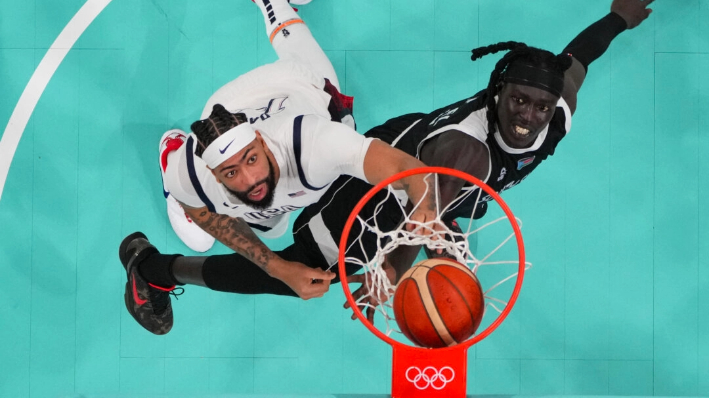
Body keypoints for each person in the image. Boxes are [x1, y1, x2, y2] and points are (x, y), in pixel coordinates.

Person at [122, 0, 654, 333]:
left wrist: (619, 17)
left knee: (312, 82)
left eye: (539, 106)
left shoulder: (558, 104)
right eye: (518, 102)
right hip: (376, 178)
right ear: (497, 94)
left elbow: (576, 60)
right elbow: (423, 202)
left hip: (314, 112)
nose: (529, 118)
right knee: (303, 269)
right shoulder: (463, 154)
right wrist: (386, 273)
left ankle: (276, 5)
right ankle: (151, 269)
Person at [121, 0, 438, 335]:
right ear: (213, 173)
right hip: (231, 106)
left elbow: (408, 170)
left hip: (297, 87)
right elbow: (202, 211)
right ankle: (170, 145)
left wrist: (422, 223)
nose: (251, 179)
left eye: (252, 159)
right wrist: (276, 267)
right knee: (262, 226)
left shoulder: (319, 143)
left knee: (309, 67)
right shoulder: (192, 172)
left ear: (259, 139)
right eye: (231, 173)